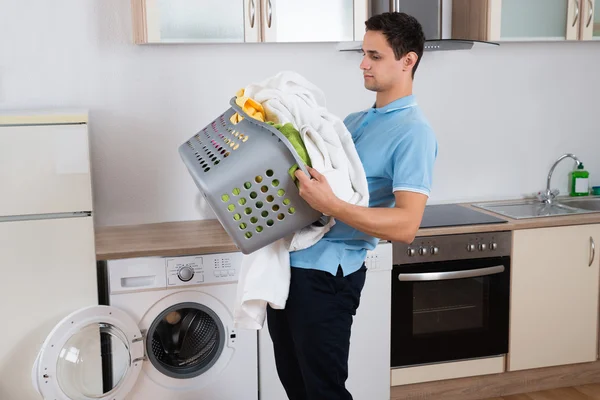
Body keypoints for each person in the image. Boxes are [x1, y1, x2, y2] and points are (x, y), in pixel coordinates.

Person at [266, 11, 438, 400]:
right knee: (296, 386)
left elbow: (406, 225)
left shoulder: (414, 133)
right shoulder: (353, 121)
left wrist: (333, 204)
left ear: (407, 60)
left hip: (328, 278)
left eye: (374, 56)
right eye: (364, 53)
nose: (363, 64)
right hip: (291, 269)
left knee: (323, 391)